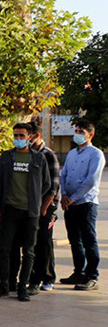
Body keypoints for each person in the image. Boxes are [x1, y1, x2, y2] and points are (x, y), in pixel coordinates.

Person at [0, 122, 53, 302]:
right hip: (9, 210)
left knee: (29, 251)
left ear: (29, 137)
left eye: (21, 135)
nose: (18, 138)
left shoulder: (38, 158)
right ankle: (4, 285)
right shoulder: (7, 156)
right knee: (5, 250)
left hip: (30, 212)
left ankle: (22, 287)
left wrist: (36, 201)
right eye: (15, 135)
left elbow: (47, 184)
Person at [59, 118, 105, 291]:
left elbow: (91, 180)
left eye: (81, 132)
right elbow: (64, 175)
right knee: (74, 239)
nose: (77, 134)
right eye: (76, 131)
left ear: (90, 135)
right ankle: (79, 271)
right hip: (69, 203)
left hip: (86, 203)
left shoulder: (96, 154)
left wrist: (74, 198)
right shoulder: (72, 153)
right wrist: (64, 194)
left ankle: (92, 276)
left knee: (88, 239)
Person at [25, 123, 61, 293]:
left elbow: (53, 187)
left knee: (44, 242)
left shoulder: (48, 155)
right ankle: (32, 276)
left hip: (46, 206)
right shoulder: (26, 154)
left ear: (36, 135)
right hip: (30, 205)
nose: (25, 139)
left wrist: (44, 208)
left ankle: (47, 277)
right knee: (32, 242)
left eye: (27, 136)